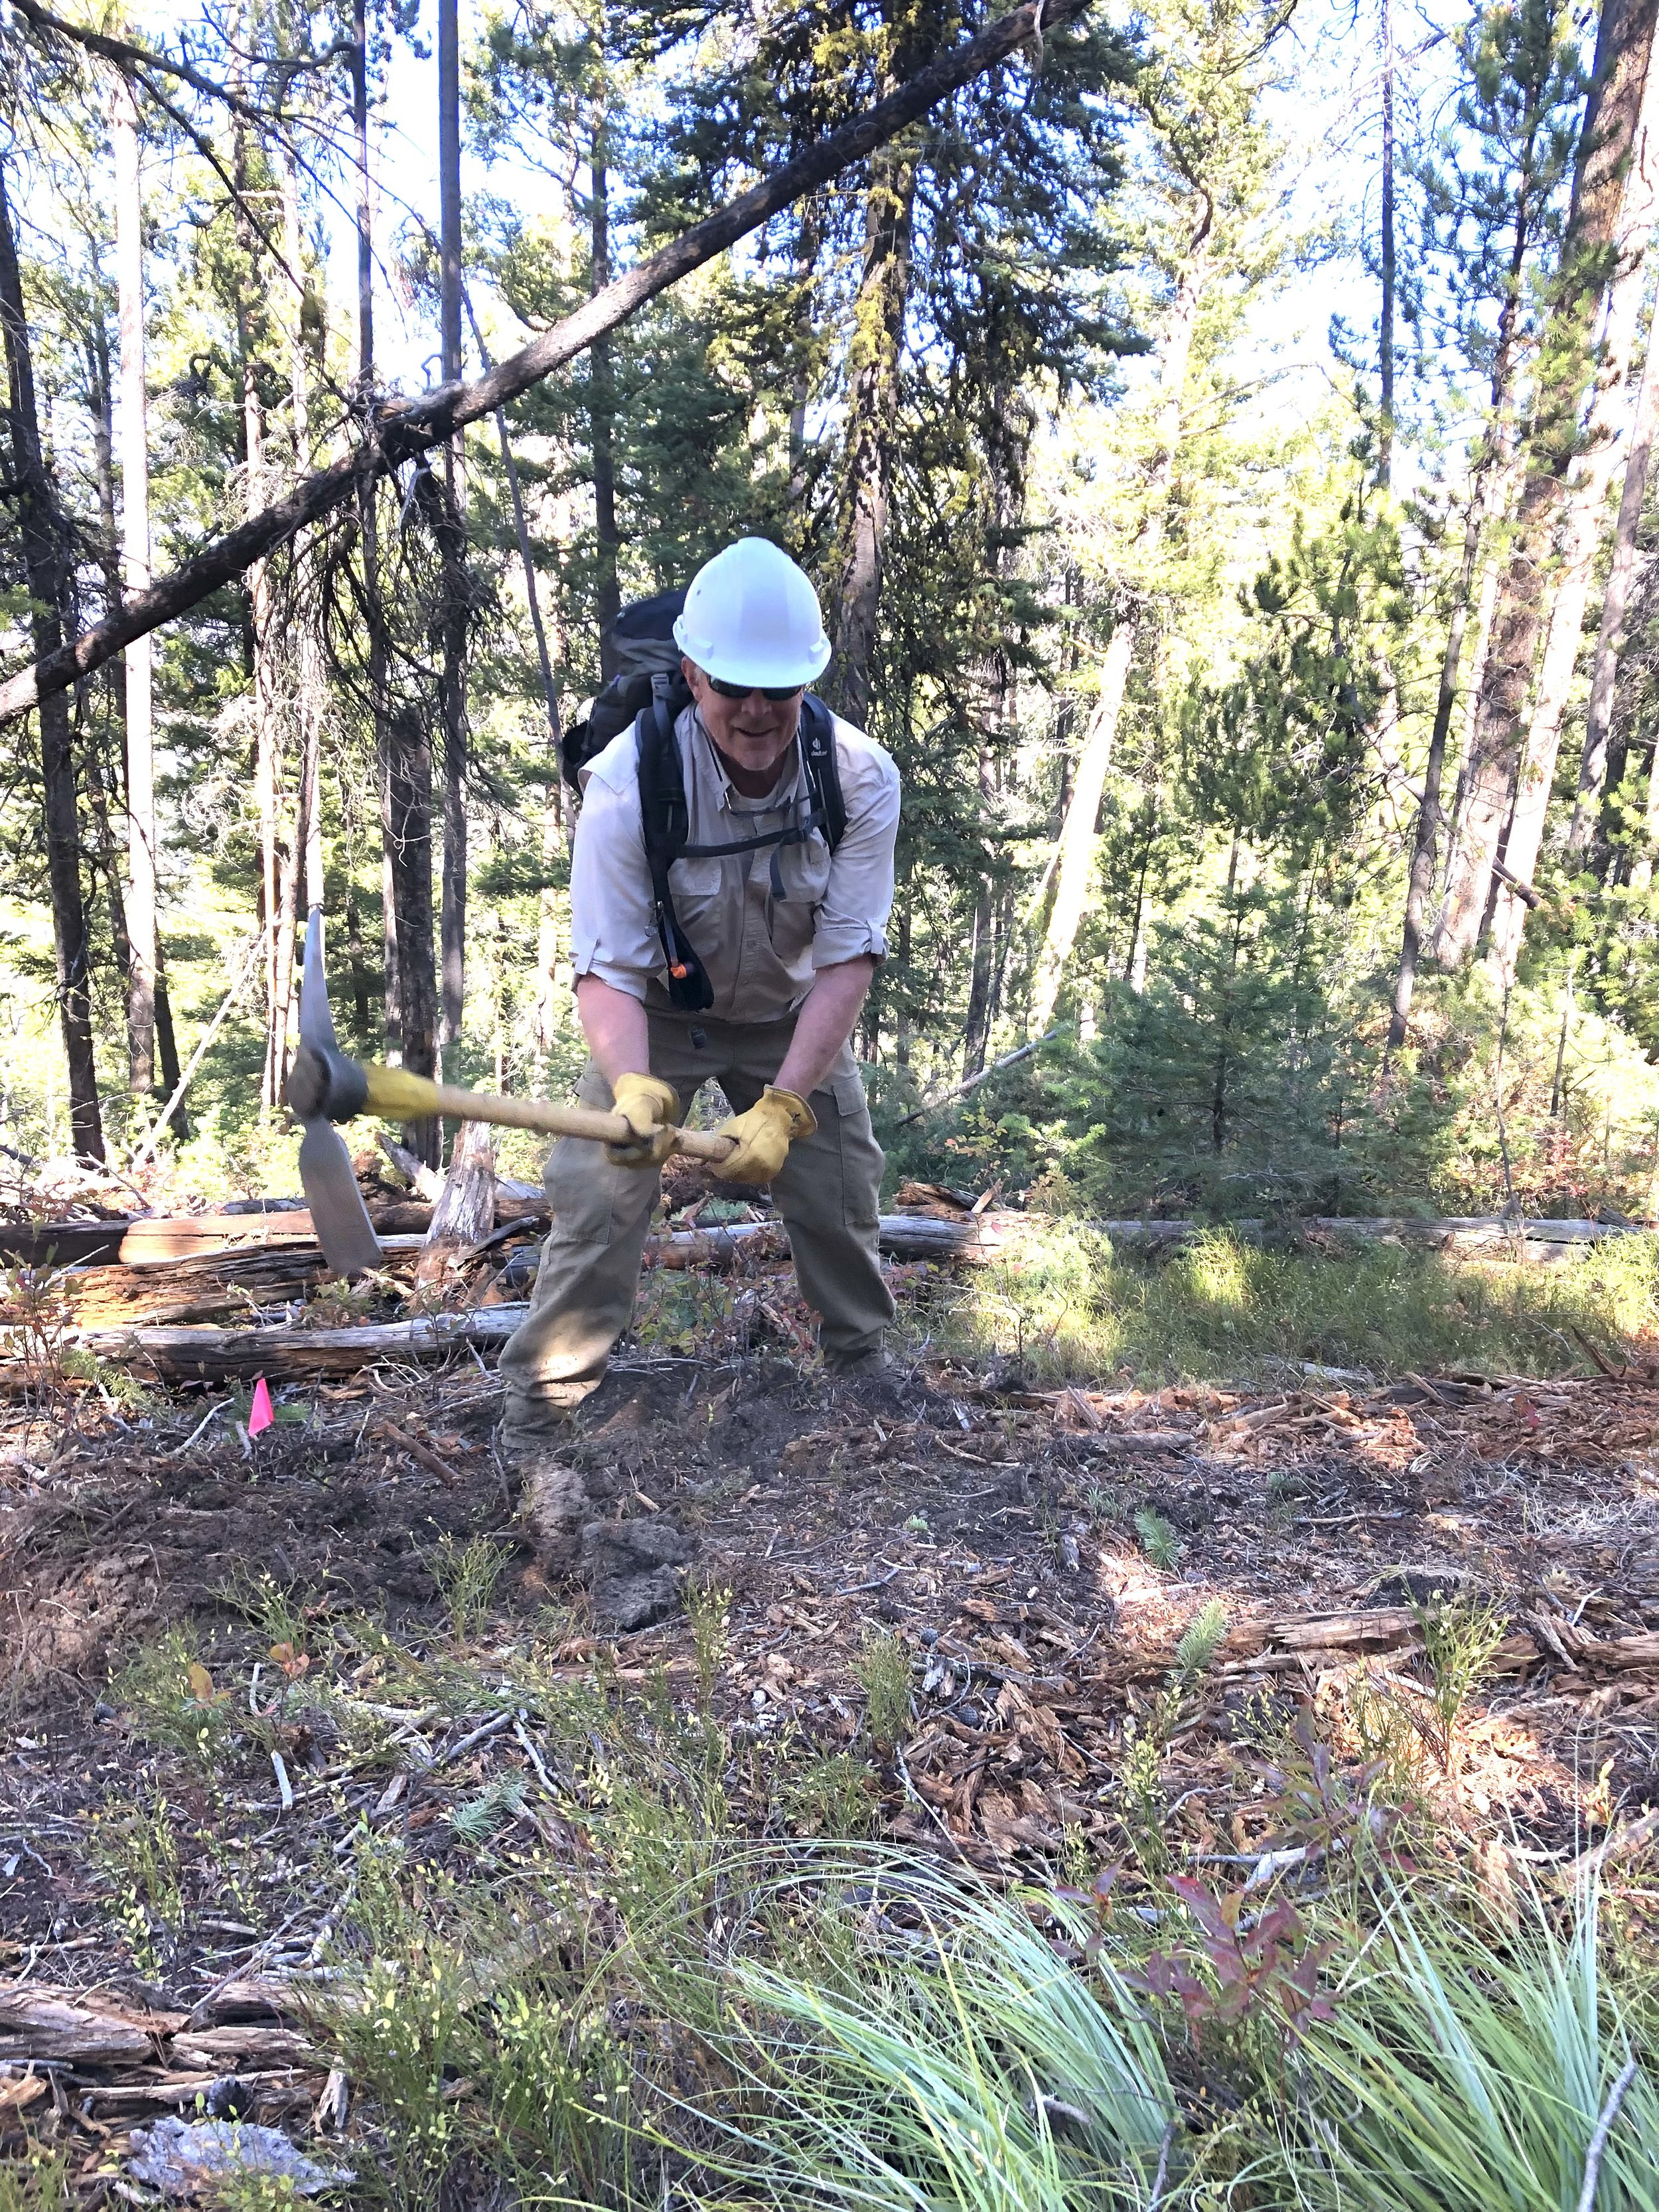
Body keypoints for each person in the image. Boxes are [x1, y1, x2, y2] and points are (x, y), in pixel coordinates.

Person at [499, 537, 901, 1491]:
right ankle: (536, 1422)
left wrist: (787, 1106)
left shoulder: (859, 777)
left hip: (790, 1018)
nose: (757, 711)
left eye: (780, 688)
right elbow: (605, 966)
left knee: (839, 1194)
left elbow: (848, 958)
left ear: (810, 678)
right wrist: (635, 1088)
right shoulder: (624, 787)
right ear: (691, 672)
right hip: (657, 1017)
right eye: (733, 686)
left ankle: (868, 1378)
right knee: (599, 1197)